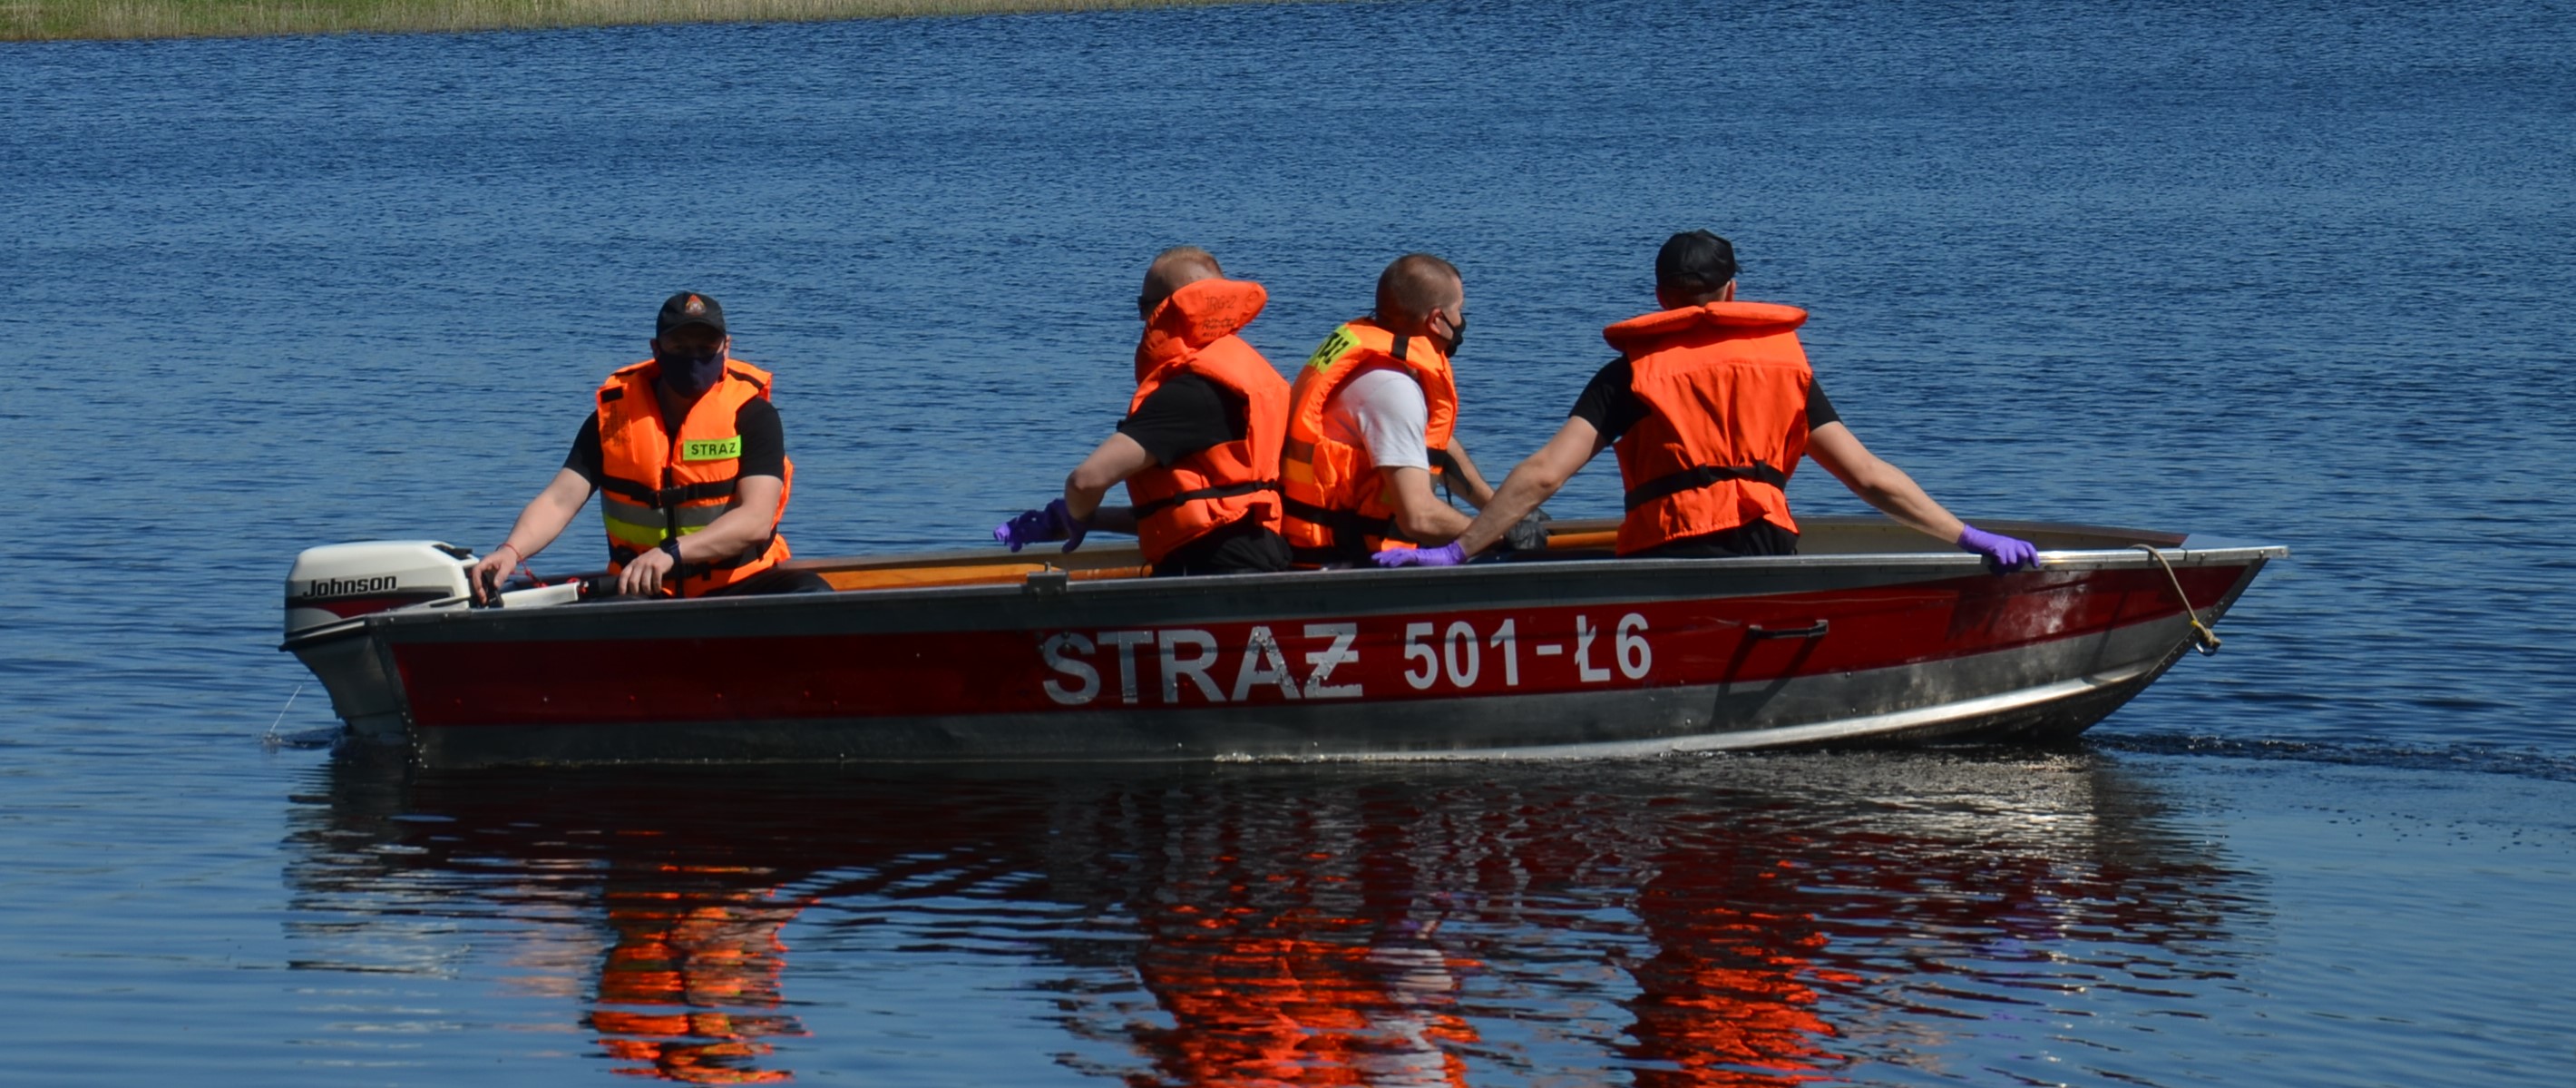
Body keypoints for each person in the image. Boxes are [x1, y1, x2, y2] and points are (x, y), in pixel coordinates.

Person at [1377, 230, 2038, 569]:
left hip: (1668, 561)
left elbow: (1545, 474)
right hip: (1764, 553)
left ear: (1660, 295)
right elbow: (1870, 478)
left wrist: (1459, 550)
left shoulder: (1630, 375)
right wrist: (1966, 535)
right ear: (1732, 291)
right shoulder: (1785, 368)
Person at [466, 291, 829, 601]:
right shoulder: (615, 421)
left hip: (743, 583)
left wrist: (671, 553)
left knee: (814, 594)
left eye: (706, 348)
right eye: (679, 347)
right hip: (644, 589)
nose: (694, 358)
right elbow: (559, 500)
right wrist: (510, 551)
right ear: (656, 349)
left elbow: (755, 520)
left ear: (726, 348)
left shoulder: (753, 415)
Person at [994, 247, 1293, 576]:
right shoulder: (1250, 378)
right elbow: (1189, 508)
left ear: (1168, 309)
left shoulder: (1190, 394)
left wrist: (1075, 513)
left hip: (1212, 575)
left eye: (1143, 306)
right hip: (1257, 559)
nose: (1141, 319)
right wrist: (1085, 520)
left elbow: (1085, 481)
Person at [1278, 253, 1503, 566]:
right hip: (1346, 562)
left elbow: (1431, 446)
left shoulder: (1378, 360)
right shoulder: (1391, 389)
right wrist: (1495, 536)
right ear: (1437, 320)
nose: (1462, 321)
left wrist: (1503, 513)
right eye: (1459, 311)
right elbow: (1418, 516)